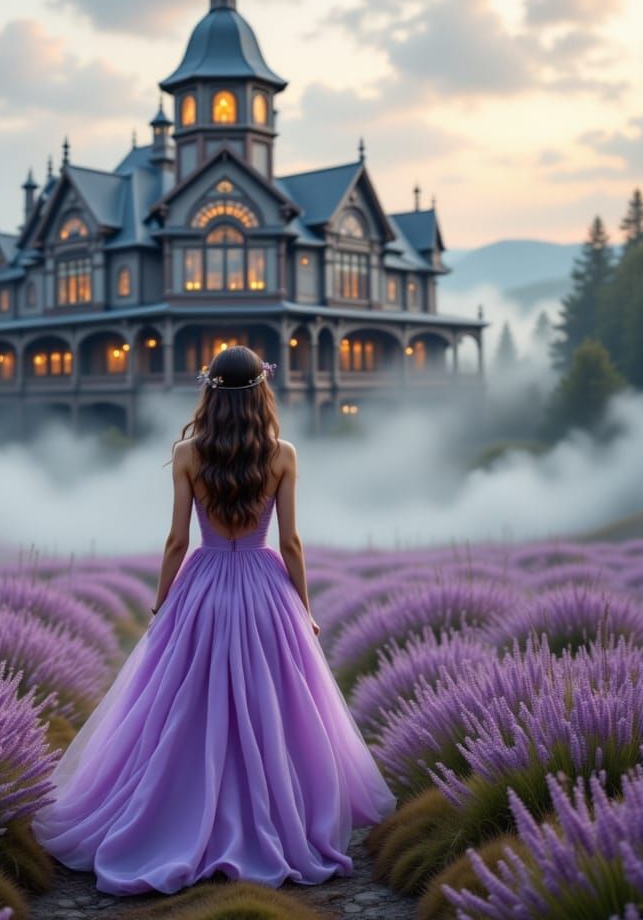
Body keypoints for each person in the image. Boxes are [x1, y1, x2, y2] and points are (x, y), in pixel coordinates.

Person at [32, 344, 396, 895]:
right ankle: (274, 821)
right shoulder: (283, 454)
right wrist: (305, 608)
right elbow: (291, 542)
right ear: (262, 390)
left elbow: (178, 539)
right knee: (272, 707)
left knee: (184, 705)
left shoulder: (186, 453)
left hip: (201, 588)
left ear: (209, 390)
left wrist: (161, 607)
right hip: (264, 590)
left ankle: (178, 815)